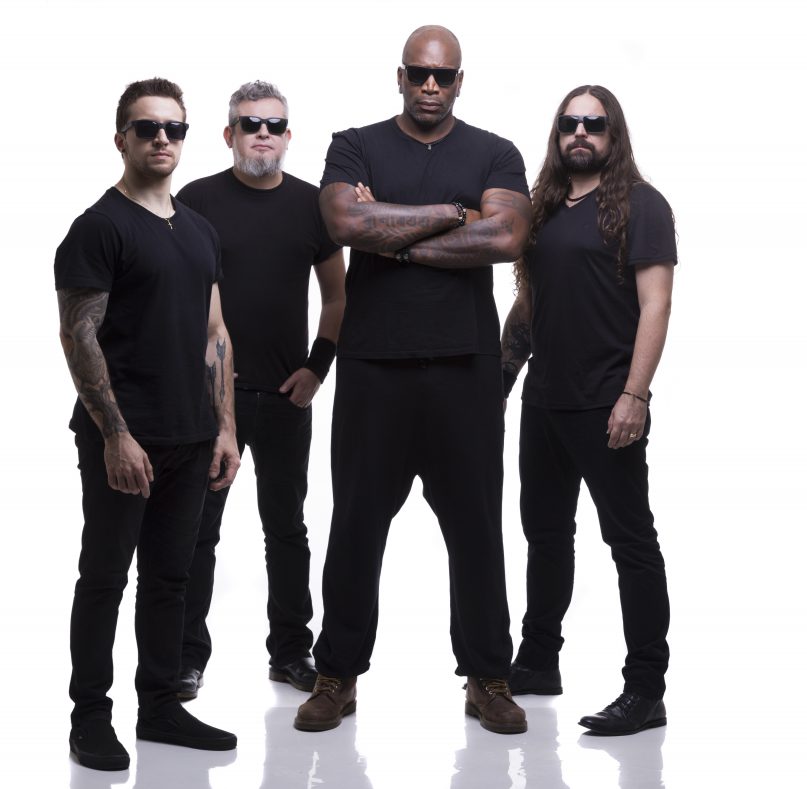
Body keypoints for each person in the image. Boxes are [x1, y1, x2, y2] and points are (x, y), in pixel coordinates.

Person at [294, 25, 532, 735]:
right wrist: (454, 214)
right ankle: (336, 674)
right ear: (399, 76)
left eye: (444, 76)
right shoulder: (355, 144)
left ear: (460, 81)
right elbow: (344, 221)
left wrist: (391, 234)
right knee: (355, 525)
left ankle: (488, 677)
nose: (431, 86)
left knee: (477, 530)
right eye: (419, 74)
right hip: (374, 367)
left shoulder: (495, 151)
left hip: (466, 368)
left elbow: (505, 237)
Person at [55, 77, 241, 771]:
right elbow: (79, 334)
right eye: (147, 127)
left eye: (174, 128)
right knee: (105, 576)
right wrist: (114, 433)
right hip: (125, 437)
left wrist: (225, 427)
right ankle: (89, 718)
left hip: (192, 435)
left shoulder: (198, 230)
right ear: (121, 138)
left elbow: (215, 332)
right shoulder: (99, 227)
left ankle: (160, 706)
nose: (162, 138)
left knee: (170, 577)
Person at [501, 85, 676, 736]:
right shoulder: (543, 208)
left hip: (607, 403)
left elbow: (657, 304)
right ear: (558, 133)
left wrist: (635, 395)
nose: (581, 132)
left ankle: (646, 689)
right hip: (544, 401)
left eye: (594, 124)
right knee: (545, 535)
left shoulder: (641, 205)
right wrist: (502, 377)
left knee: (631, 543)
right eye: (570, 123)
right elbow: (531, 300)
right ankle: (538, 660)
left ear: (613, 134)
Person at [175, 80, 345, 696]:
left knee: (287, 530)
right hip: (209, 400)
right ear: (230, 134)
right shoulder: (196, 201)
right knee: (197, 530)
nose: (263, 134)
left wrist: (317, 367)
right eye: (250, 124)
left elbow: (337, 296)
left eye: (274, 125)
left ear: (289, 135)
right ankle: (185, 657)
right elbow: (177, 296)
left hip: (284, 399)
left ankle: (291, 652)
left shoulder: (310, 205)